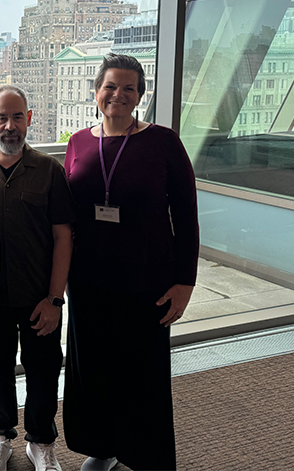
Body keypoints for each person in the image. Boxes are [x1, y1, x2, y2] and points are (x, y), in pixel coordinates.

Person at [62, 53, 199, 471]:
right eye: (110, 86)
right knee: (94, 368)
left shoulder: (162, 141)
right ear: (96, 91)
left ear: (140, 95)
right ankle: (101, 447)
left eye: (128, 88)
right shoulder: (78, 142)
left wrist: (185, 281)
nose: (118, 95)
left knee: (143, 374)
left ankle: (144, 457)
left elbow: (187, 215)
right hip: (88, 281)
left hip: (147, 281)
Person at [0, 85, 75, 471]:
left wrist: (55, 299)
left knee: (43, 369)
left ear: (29, 118)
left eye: (18, 116)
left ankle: (41, 441)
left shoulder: (49, 170)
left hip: (39, 295)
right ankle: (0, 436)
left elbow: (63, 237)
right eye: (2, 117)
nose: (10, 126)